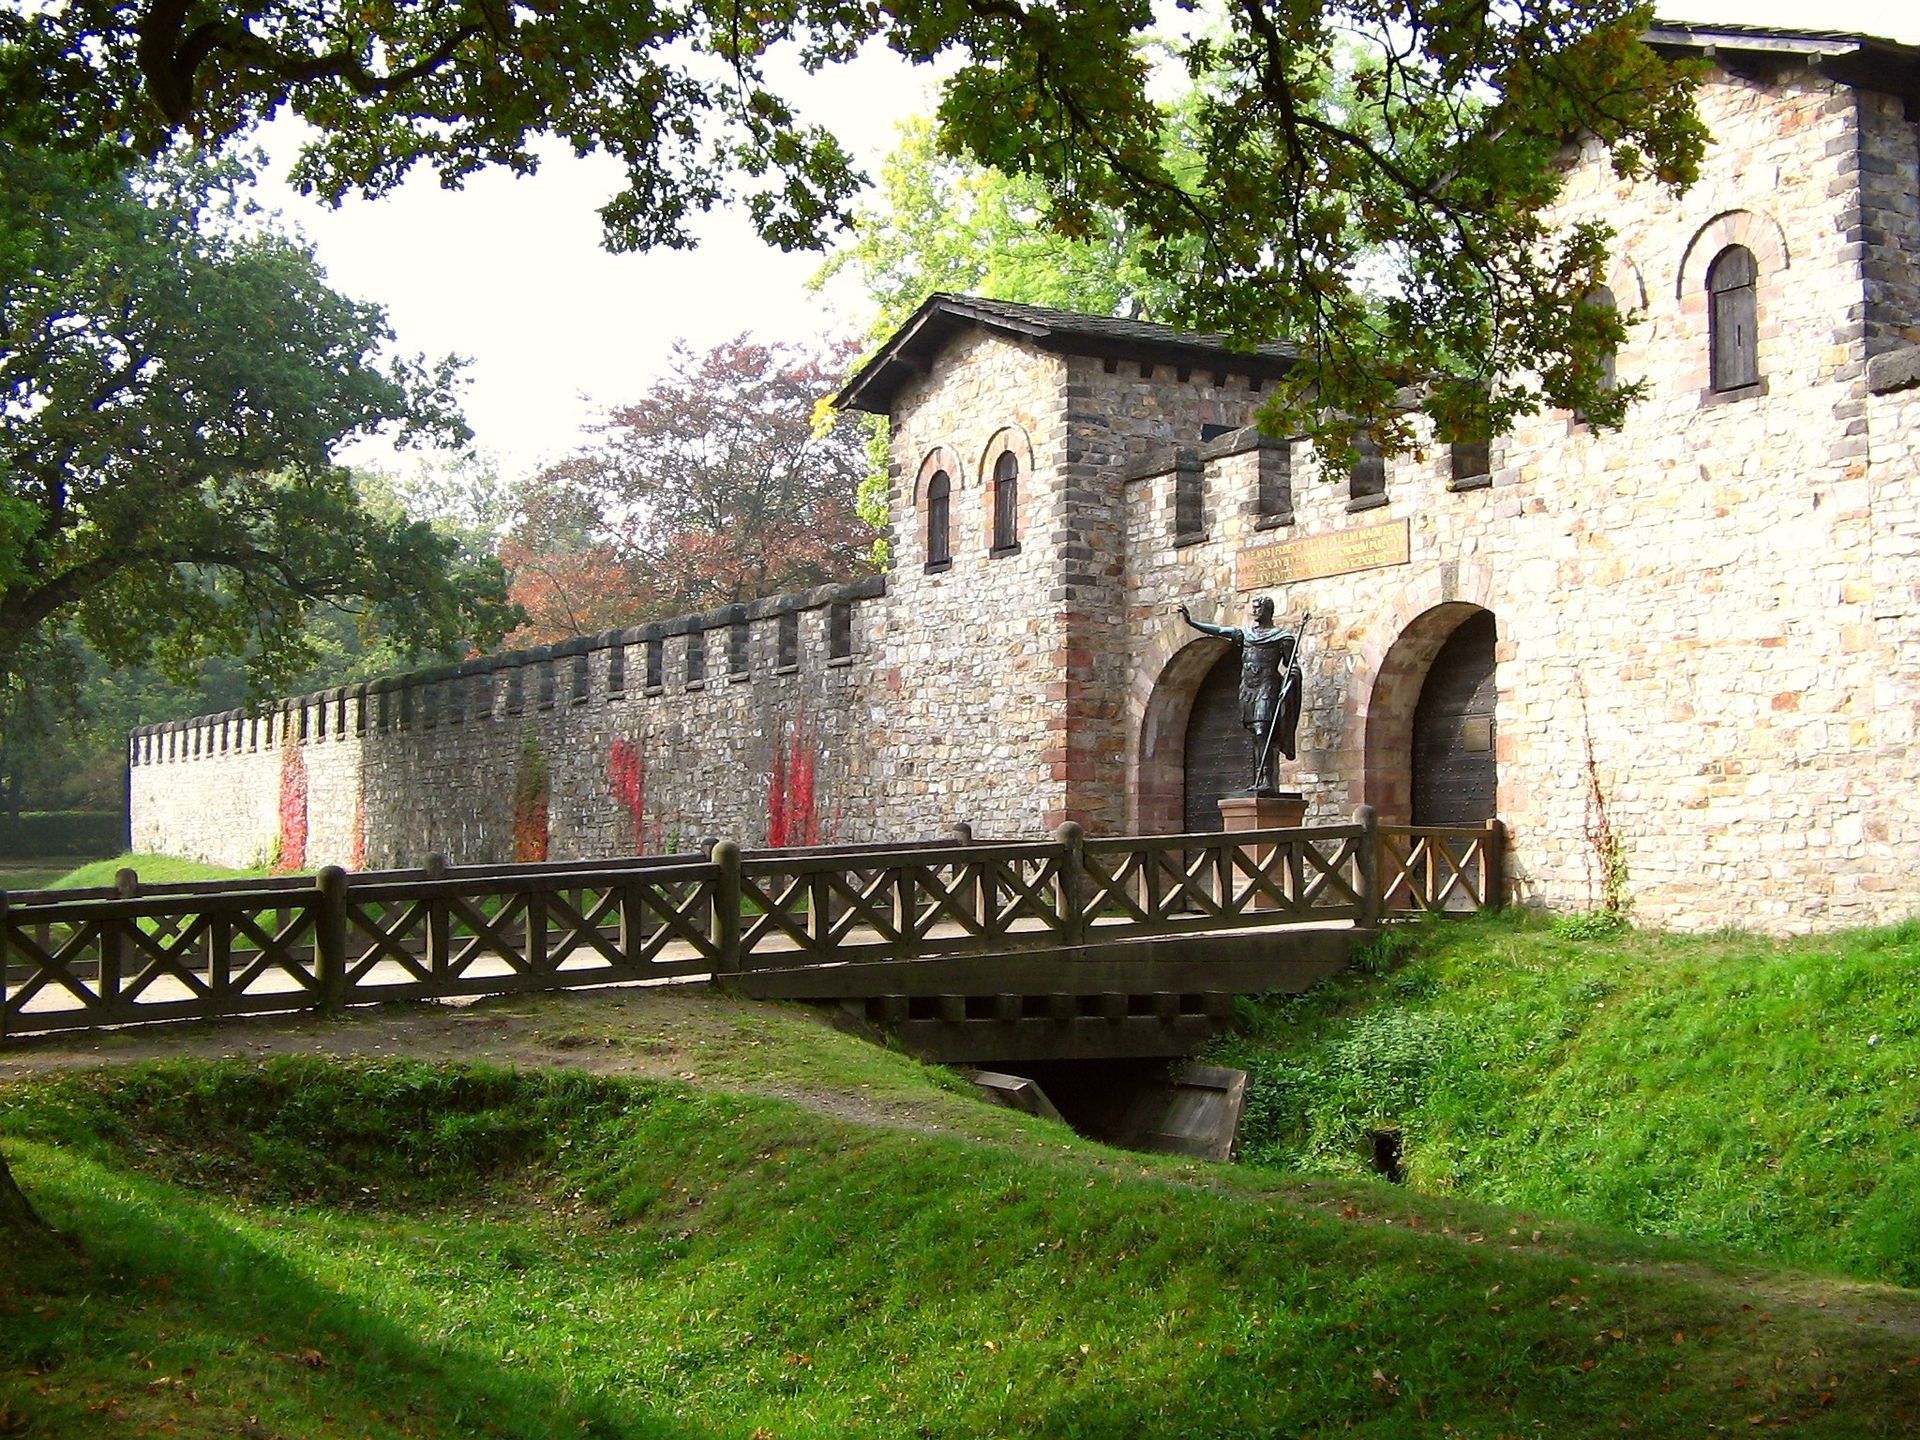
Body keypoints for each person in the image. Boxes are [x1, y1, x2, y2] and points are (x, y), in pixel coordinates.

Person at [1178, 596, 1305, 792]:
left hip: (1267, 687)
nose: (1254, 611)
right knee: (1255, 734)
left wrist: (1291, 680)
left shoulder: (1282, 638)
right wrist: (1192, 623)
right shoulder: (1246, 634)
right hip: (1248, 689)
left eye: (1258, 608)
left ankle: (1267, 780)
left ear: (1267, 611)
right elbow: (1220, 631)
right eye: (1253, 608)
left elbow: (1292, 666)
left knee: (1263, 731)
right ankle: (1257, 778)